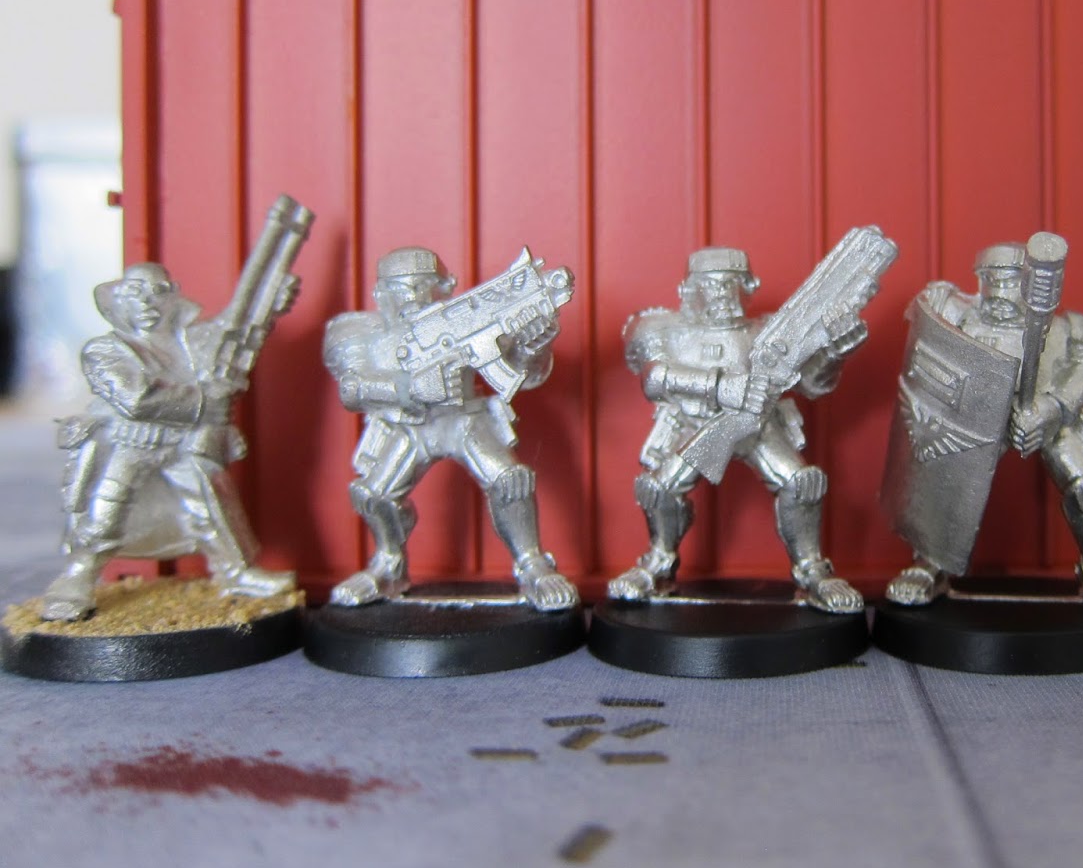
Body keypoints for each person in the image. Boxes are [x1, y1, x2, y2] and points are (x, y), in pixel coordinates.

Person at [886, 242, 1083, 613]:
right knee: (942, 477)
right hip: (974, 418)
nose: (999, 289)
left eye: (1009, 279)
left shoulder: (1070, 327)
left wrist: (1054, 407)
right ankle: (930, 560)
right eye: (991, 278)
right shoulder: (956, 314)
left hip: (1047, 416)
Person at [608, 247, 867, 613]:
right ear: (689, 289)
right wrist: (719, 387)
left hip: (758, 427)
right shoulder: (668, 331)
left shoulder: (768, 331)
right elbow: (653, 379)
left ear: (748, 286)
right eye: (711, 284)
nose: (722, 293)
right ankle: (658, 561)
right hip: (695, 425)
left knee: (802, 483)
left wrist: (835, 354)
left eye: (731, 283)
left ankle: (811, 569)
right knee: (658, 488)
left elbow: (813, 384)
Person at [322, 246, 577, 610]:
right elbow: (352, 390)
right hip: (409, 427)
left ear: (445, 287)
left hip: (465, 420)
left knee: (511, 479)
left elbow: (527, 376)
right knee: (373, 495)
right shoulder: (362, 334)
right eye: (401, 288)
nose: (414, 296)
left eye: (425, 285)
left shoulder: (462, 319)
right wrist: (408, 390)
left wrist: (534, 346)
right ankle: (388, 563)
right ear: (380, 293)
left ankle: (531, 563)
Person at [41, 263, 294, 621]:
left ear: (173, 298)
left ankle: (235, 572)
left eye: (157, 292)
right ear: (120, 302)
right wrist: (205, 400)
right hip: (129, 443)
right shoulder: (105, 350)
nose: (147, 302)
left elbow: (232, 334)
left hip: (182, 443)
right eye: (135, 293)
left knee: (213, 505)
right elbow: (137, 400)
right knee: (105, 512)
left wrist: (270, 306)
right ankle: (78, 578)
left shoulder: (189, 343)